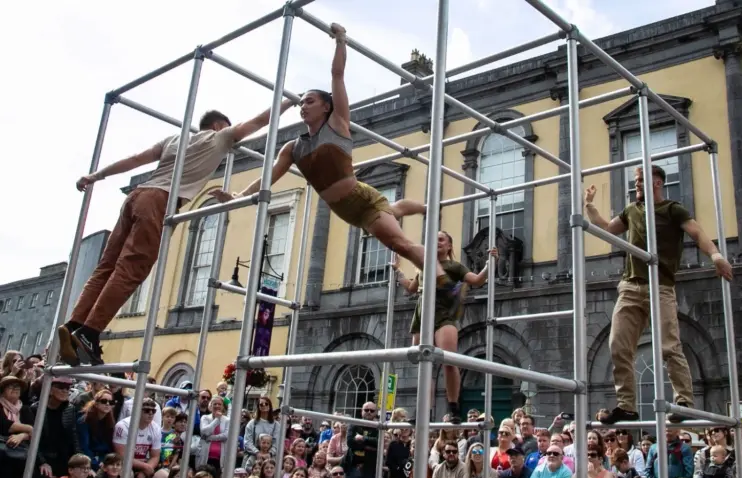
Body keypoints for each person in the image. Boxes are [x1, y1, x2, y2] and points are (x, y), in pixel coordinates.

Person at [210, 23, 465, 327]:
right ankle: (423, 207)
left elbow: (337, 76)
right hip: (349, 213)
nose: (303, 105)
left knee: (401, 244)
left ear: (326, 106)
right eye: (301, 102)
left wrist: (341, 41)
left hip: (363, 201)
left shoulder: (338, 124)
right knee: (392, 208)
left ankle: (445, 282)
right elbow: (268, 178)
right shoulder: (293, 148)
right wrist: (238, 197)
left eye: (310, 101)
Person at [57, 99, 295, 366]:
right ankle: (90, 331)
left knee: (106, 267)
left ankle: (74, 324)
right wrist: (286, 103)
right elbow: (260, 121)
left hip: (136, 197)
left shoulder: (174, 139)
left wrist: (96, 175)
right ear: (218, 125)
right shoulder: (220, 137)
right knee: (132, 268)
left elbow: (135, 160)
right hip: (159, 200)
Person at [584, 166, 733, 424]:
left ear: (656, 182)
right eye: (636, 181)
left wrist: (717, 256)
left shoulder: (673, 209)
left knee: (668, 345)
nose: (636, 185)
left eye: (640, 181)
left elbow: (698, 233)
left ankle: (683, 399)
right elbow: (608, 227)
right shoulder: (632, 210)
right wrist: (589, 206)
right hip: (630, 286)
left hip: (661, 286)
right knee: (618, 345)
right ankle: (627, 405)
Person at [394, 231, 497, 423]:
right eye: (434, 239)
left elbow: (477, 280)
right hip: (422, 316)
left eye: (441, 239)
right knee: (424, 366)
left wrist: (489, 265)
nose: (437, 242)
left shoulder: (454, 266)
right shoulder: (422, 266)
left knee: (449, 362)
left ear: (449, 246)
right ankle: (423, 410)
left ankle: (453, 407)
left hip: (443, 315)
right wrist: (397, 271)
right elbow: (411, 288)